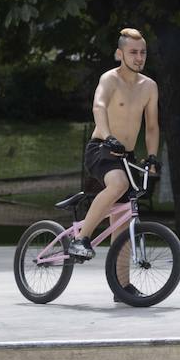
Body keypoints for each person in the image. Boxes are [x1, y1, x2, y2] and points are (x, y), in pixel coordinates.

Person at [68, 28, 160, 268]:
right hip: (102, 148)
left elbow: (151, 127)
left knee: (123, 220)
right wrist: (108, 136)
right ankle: (80, 239)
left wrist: (152, 156)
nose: (139, 57)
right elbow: (98, 107)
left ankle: (122, 288)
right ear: (120, 54)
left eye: (143, 52)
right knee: (118, 184)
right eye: (133, 52)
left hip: (126, 155)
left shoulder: (149, 87)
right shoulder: (109, 79)